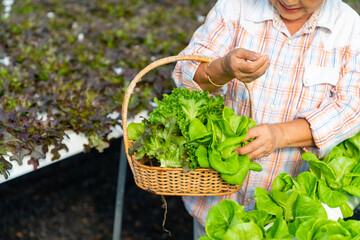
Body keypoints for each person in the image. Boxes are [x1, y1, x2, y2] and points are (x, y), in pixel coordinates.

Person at [172, 0, 360, 238]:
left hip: (292, 215)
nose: (289, 0)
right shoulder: (234, 8)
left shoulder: (350, 30)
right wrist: (223, 68)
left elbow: (352, 108)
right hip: (217, 206)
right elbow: (185, 75)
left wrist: (281, 134)